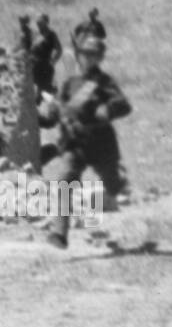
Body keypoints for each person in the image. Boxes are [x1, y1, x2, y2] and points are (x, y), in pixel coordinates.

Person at [39, 36, 133, 250]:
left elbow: (124, 105)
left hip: (101, 145)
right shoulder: (70, 83)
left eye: (93, 55)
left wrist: (106, 110)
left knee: (113, 185)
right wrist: (48, 113)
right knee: (64, 181)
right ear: (79, 56)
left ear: (99, 57)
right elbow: (57, 114)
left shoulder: (104, 82)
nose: (87, 58)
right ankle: (59, 233)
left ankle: (119, 182)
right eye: (84, 54)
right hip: (75, 144)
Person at [30, 14, 62, 95]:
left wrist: (53, 61)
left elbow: (59, 50)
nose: (38, 24)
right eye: (38, 23)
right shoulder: (36, 34)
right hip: (34, 65)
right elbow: (30, 49)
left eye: (41, 22)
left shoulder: (51, 34)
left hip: (45, 66)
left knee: (45, 91)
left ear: (46, 23)